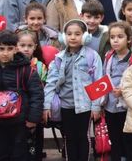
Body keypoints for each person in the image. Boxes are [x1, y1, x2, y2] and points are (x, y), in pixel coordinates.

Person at [43, 19, 103, 161]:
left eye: (77, 34)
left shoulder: (92, 56)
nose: (73, 37)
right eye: (69, 34)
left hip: (85, 106)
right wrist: (46, 105)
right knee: (69, 137)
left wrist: (96, 106)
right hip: (66, 105)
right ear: (64, 37)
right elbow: (51, 83)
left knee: (83, 137)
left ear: (85, 36)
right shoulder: (58, 58)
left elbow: (98, 82)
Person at [0, 30, 44, 159]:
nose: (5, 53)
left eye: (9, 49)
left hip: (20, 122)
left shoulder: (26, 69)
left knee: (19, 154)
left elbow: (37, 94)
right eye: (1, 49)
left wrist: (33, 119)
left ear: (16, 49)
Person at [101, 21, 132, 160]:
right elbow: (104, 77)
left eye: (120, 36)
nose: (115, 40)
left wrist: (124, 90)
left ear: (129, 39)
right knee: (114, 138)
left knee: (127, 139)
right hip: (110, 106)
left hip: (126, 106)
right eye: (112, 37)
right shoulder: (109, 56)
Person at [15, 29, 48, 160]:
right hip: (18, 110)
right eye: (22, 45)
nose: (26, 49)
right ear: (16, 46)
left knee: (36, 139)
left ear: (35, 47)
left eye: (29, 46)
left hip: (35, 109)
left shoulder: (40, 67)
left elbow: (43, 89)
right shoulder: (13, 66)